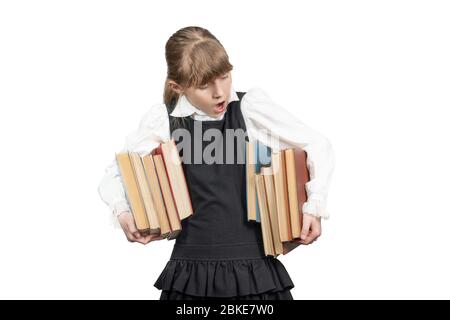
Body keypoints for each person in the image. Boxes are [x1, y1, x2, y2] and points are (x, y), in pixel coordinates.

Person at [97, 26, 335, 300]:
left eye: (224, 77)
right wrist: (123, 214)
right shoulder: (165, 120)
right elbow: (114, 174)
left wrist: (314, 207)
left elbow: (318, 145)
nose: (219, 92)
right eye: (204, 85)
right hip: (190, 275)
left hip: (255, 274)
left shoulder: (249, 108)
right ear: (178, 86)